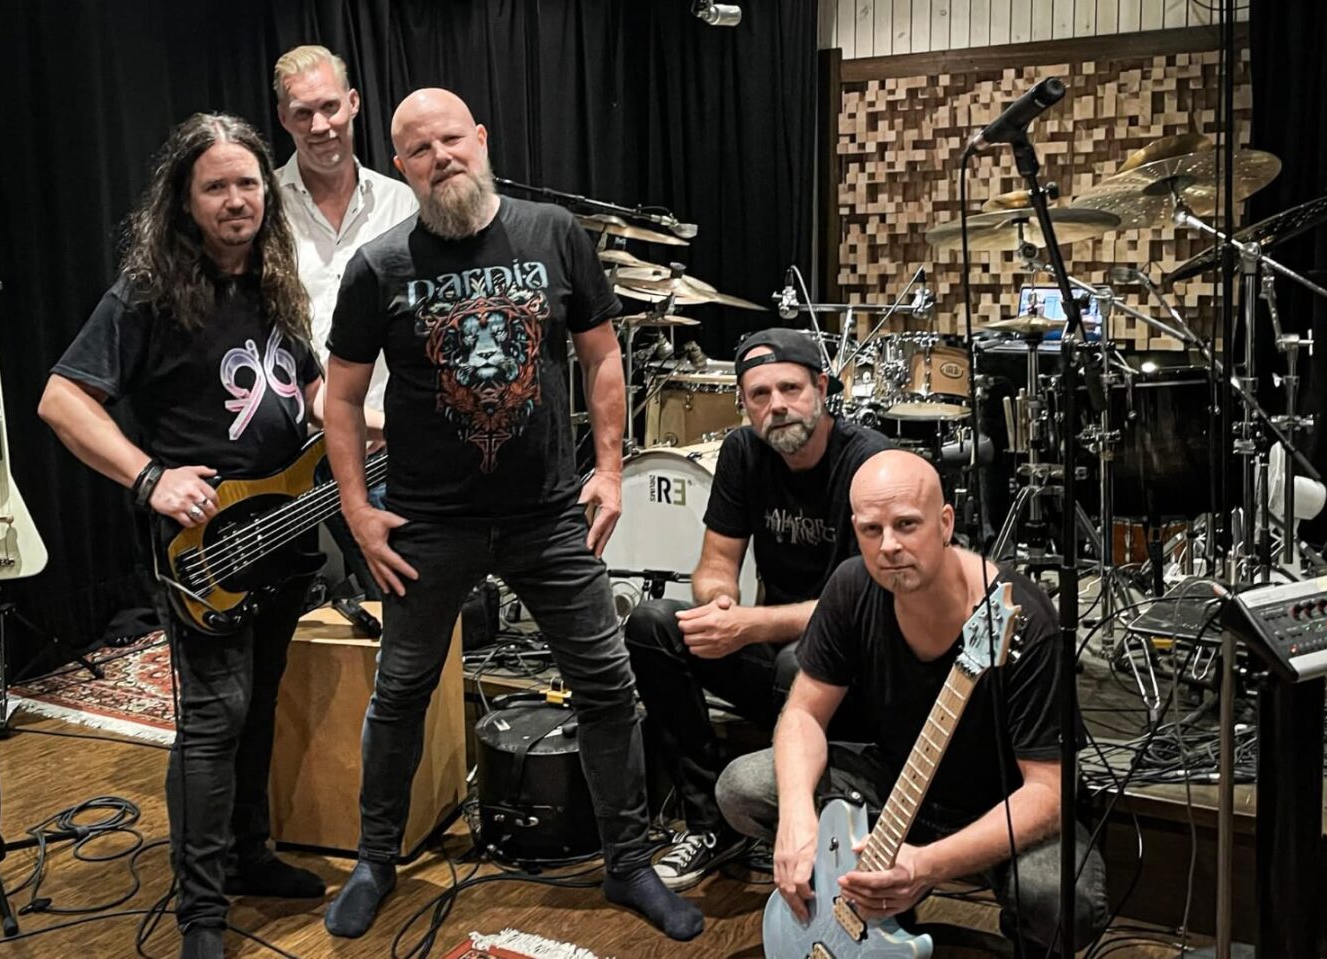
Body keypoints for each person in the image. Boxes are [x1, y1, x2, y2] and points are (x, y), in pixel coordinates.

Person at [318, 87, 704, 943]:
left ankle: (628, 861)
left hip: (547, 516)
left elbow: (603, 358)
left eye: (451, 139)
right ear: (402, 165)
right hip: (426, 523)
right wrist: (357, 510)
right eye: (419, 150)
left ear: (481, 138)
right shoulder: (379, 266)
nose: (441, 158)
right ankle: (375, 860)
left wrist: (611, 470)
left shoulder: (553, 233)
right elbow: (340, 399)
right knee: (400, 692)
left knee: (607, 686)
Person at [38, 114, 325, 959]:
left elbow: (304, 391)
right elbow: (62, 399)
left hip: (285, 534)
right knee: (215, 715)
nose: (237, 200)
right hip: (204, 550)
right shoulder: (148, 293)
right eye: (216, 186)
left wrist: (364, 422)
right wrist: (148, 476)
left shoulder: (274, 281)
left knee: (260, 701)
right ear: (185, 200)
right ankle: (201, 908)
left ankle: (248, 855)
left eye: (248, 184)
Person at [715, 450, 1109, 954]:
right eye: (871, 530)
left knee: (1061, 899)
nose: (889, 546)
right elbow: (803, 713)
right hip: (899, 784)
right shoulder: (852, 586)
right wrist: (796, 819)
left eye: (906, 525)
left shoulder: (1023, 619)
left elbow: (1048, 793)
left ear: (945, 523)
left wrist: (926, 865)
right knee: (744, 786)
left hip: (1000, 806)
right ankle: (879, 910)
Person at [623, 328, 890, 891]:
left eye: (790, 389)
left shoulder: (868, 461)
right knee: (652, 626)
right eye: (759, 395)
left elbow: (862, 605)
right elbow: (716, 564)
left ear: (821, 388)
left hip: (853, 673)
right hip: (772, 649)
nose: (777, 406)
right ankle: (709, 825)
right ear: (744, 403)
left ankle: (805, 824)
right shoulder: (743, 452)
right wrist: (719, 606)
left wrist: (750, 625)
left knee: (800, 660)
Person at [273, 44, 419, 599]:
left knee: (405, 599)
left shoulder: (403, 206)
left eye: (330, 107)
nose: (320, 126)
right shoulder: (262, 209)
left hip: (385, 446)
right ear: (284, 118)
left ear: (354, 103)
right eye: (303, 113)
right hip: (288, 450)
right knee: (283, 611)